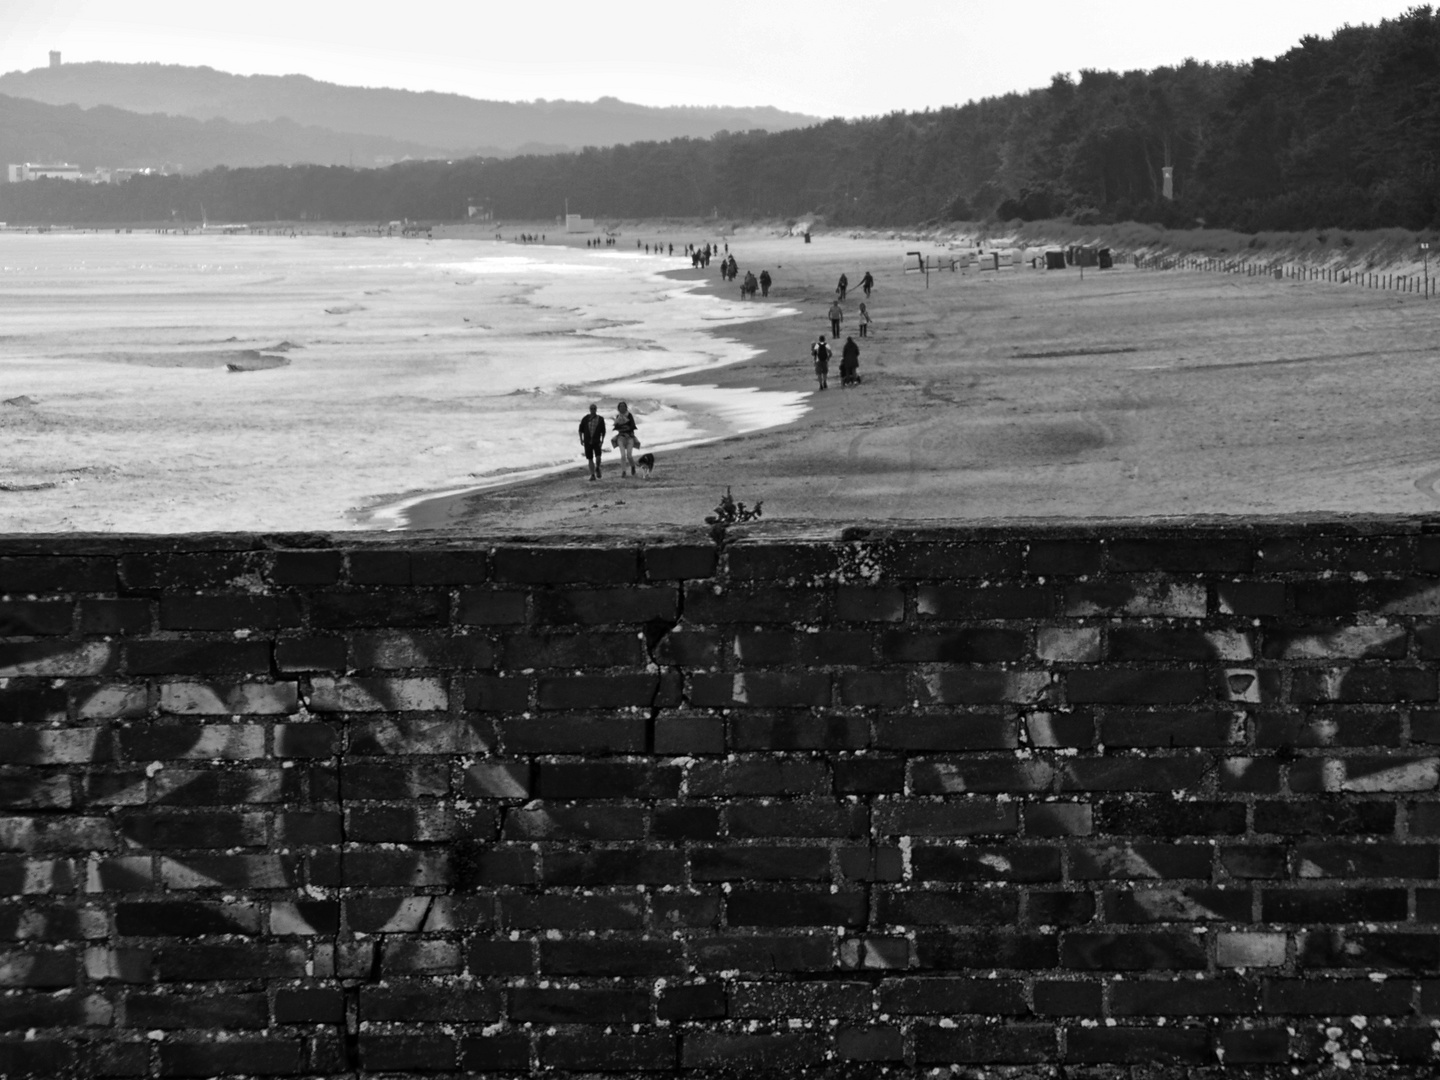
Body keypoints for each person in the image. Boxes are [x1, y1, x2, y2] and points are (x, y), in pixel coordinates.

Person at [578, 403, 607, 480]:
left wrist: (602, 441)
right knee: (590, 458)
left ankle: (597, 467)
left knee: (598, 457)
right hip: (587, 441)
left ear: (596, 409)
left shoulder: (600, 419)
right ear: (589, 409)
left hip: (597, 441)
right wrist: (581, 439)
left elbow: (603, 431)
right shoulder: (585, 418)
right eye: (591, 408)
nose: (593, 410)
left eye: (594, 408)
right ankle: (592, 475)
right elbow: (580, 429)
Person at [612, 400, 640, 476]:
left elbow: (632, 426)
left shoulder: (629, 415)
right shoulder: (618, 416)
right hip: (621, 437)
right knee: (623, 455)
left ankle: (633, 466)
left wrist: (626, 428)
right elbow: (616, 426)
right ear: (618, 408)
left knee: (629, 455)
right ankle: (624, 471)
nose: (622, 408)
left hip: (629, 437)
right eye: (620, 407)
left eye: (623, 406)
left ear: (626, 407)